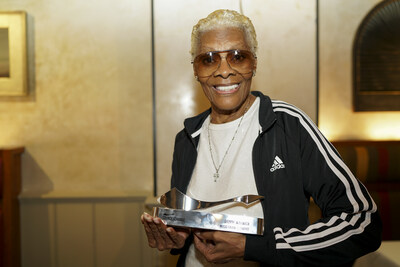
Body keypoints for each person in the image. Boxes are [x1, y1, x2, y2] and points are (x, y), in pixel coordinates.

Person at [141, 9, 382, 267]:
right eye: (208, 59)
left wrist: (255, 247)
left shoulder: (289, 125)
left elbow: (363, 221)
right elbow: (187, 226)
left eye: (238, 56)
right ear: (195, 70)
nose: (224, 70)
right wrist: (178, 238)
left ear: (254, 62)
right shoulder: (187, 138)